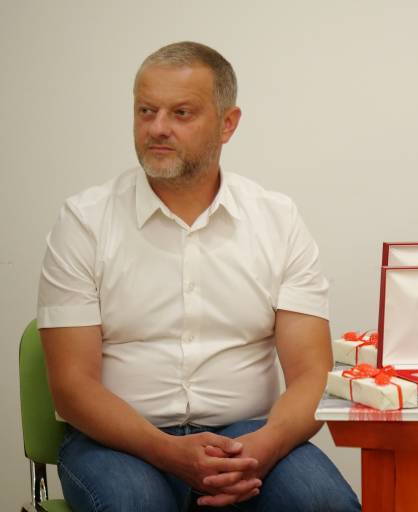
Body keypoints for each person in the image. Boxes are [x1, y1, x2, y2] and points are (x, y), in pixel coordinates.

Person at [37, 41, 360, 511]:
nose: (157, 128)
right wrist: (167, 452)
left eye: (181, 113)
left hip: (247, 433)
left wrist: (264, 447)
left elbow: (312, 374)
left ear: (228, 123)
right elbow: (72, 387)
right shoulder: (84, 221)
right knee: (136, 504)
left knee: (322, 503)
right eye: (146, 111)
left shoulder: (277, 220)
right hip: (119, 440)